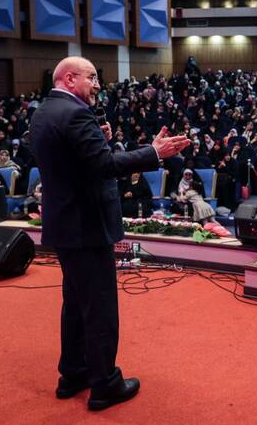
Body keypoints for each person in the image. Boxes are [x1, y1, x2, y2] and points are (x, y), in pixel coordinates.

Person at [29, 56, 190, 411]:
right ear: (69, 79)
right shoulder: (75, 114)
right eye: (91, 78)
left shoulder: (44, 111)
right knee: (99, 308)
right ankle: (105, 384)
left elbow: (69, 159)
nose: (98, 85)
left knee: (75, 305)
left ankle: (73, 374)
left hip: (65, 224)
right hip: (87, 226)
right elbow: (103, 167)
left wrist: (96, 142)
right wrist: (154, 153)